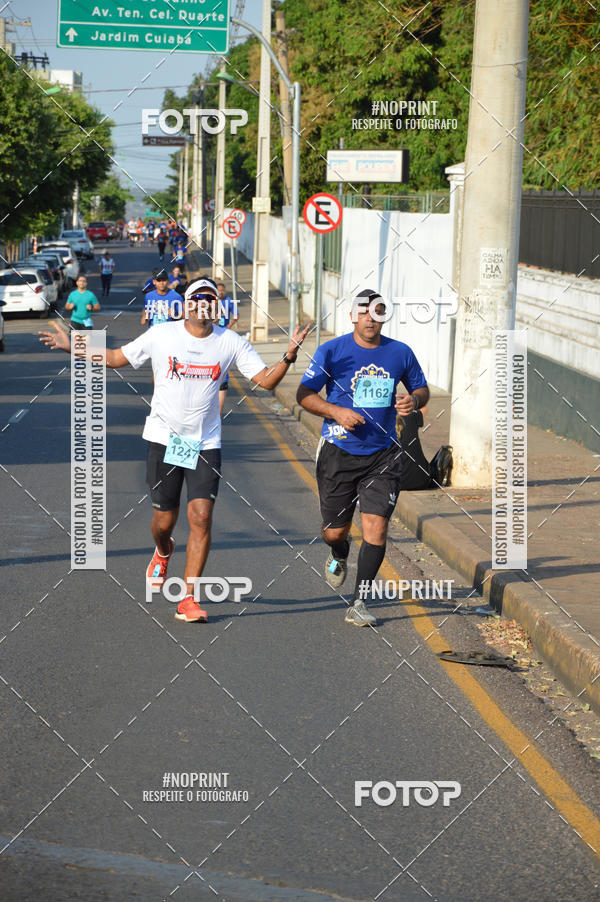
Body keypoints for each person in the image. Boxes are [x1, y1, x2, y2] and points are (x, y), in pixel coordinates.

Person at [40, 276, 310, 624]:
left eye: (210, 299)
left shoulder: (230, 342)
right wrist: (71, 345)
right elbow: (115, 357)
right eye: (197, 298)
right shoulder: (162, 334)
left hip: (205, 443)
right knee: (163, 521)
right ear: (186, 304)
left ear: (216, 306)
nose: (203, 304)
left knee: (201, 516)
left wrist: (289, 354)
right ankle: (163, 549)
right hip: (164, 440)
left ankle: (188, 598)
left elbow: (266, 380)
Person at [297, 288, 429, 628]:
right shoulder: (332, 351)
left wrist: (413, 401)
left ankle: (359, 601)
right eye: (364, 311)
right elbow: (304, 395)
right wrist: (336, 411)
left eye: (378, 311)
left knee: (377, 526)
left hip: (382, 454)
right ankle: (339, 552)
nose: (371, 317)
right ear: (353, 315)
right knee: (334, 531)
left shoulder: (400, 352)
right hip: (338, 452)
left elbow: (421, 388)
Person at [213, 283, 238, 415]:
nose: (221, 292)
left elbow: (236, 316)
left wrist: (229, 326)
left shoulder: (229, 302)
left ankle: (218, 416)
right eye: (219, 290)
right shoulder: (211, 302)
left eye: (223, 290)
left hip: (223, 333)